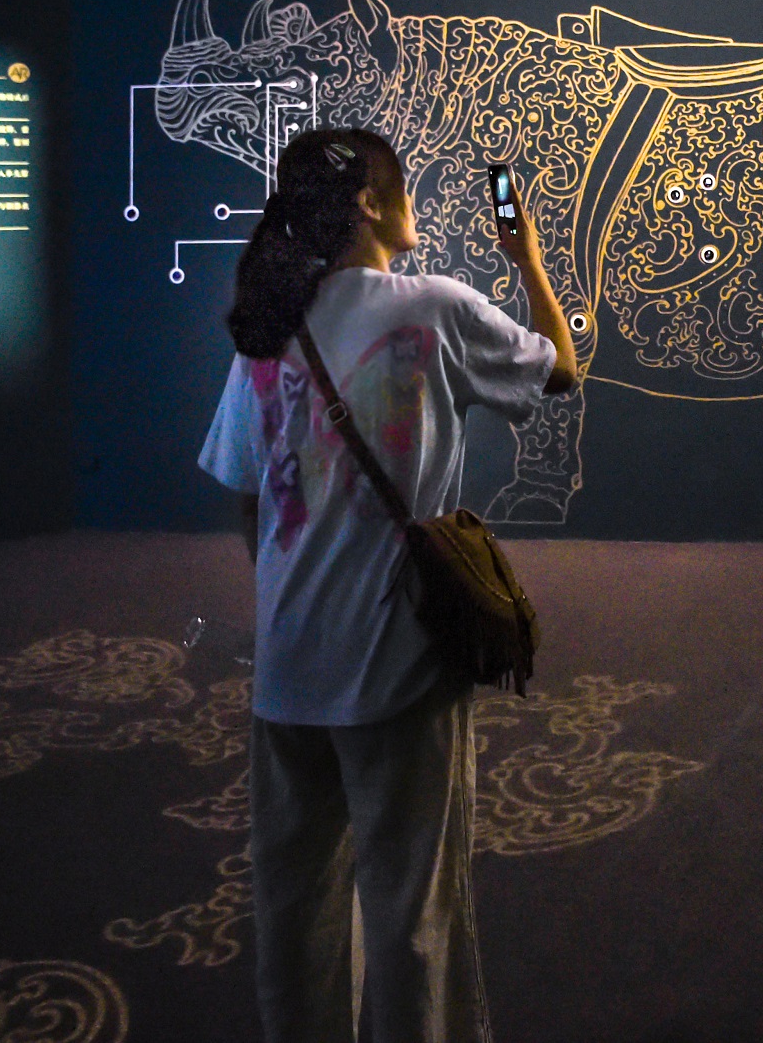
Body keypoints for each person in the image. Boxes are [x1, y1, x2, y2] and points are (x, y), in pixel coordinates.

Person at [197, 126, 578, 1043]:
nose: (412, 201)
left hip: (287, 672)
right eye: (400, 186)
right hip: (399, 664)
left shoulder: (266, 330)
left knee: (294, 910)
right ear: (370, 202)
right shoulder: (433, 309)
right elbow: (560, 368)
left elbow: (247, 500)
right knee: (412, 913)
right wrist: (527, 259)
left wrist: (298, 595)